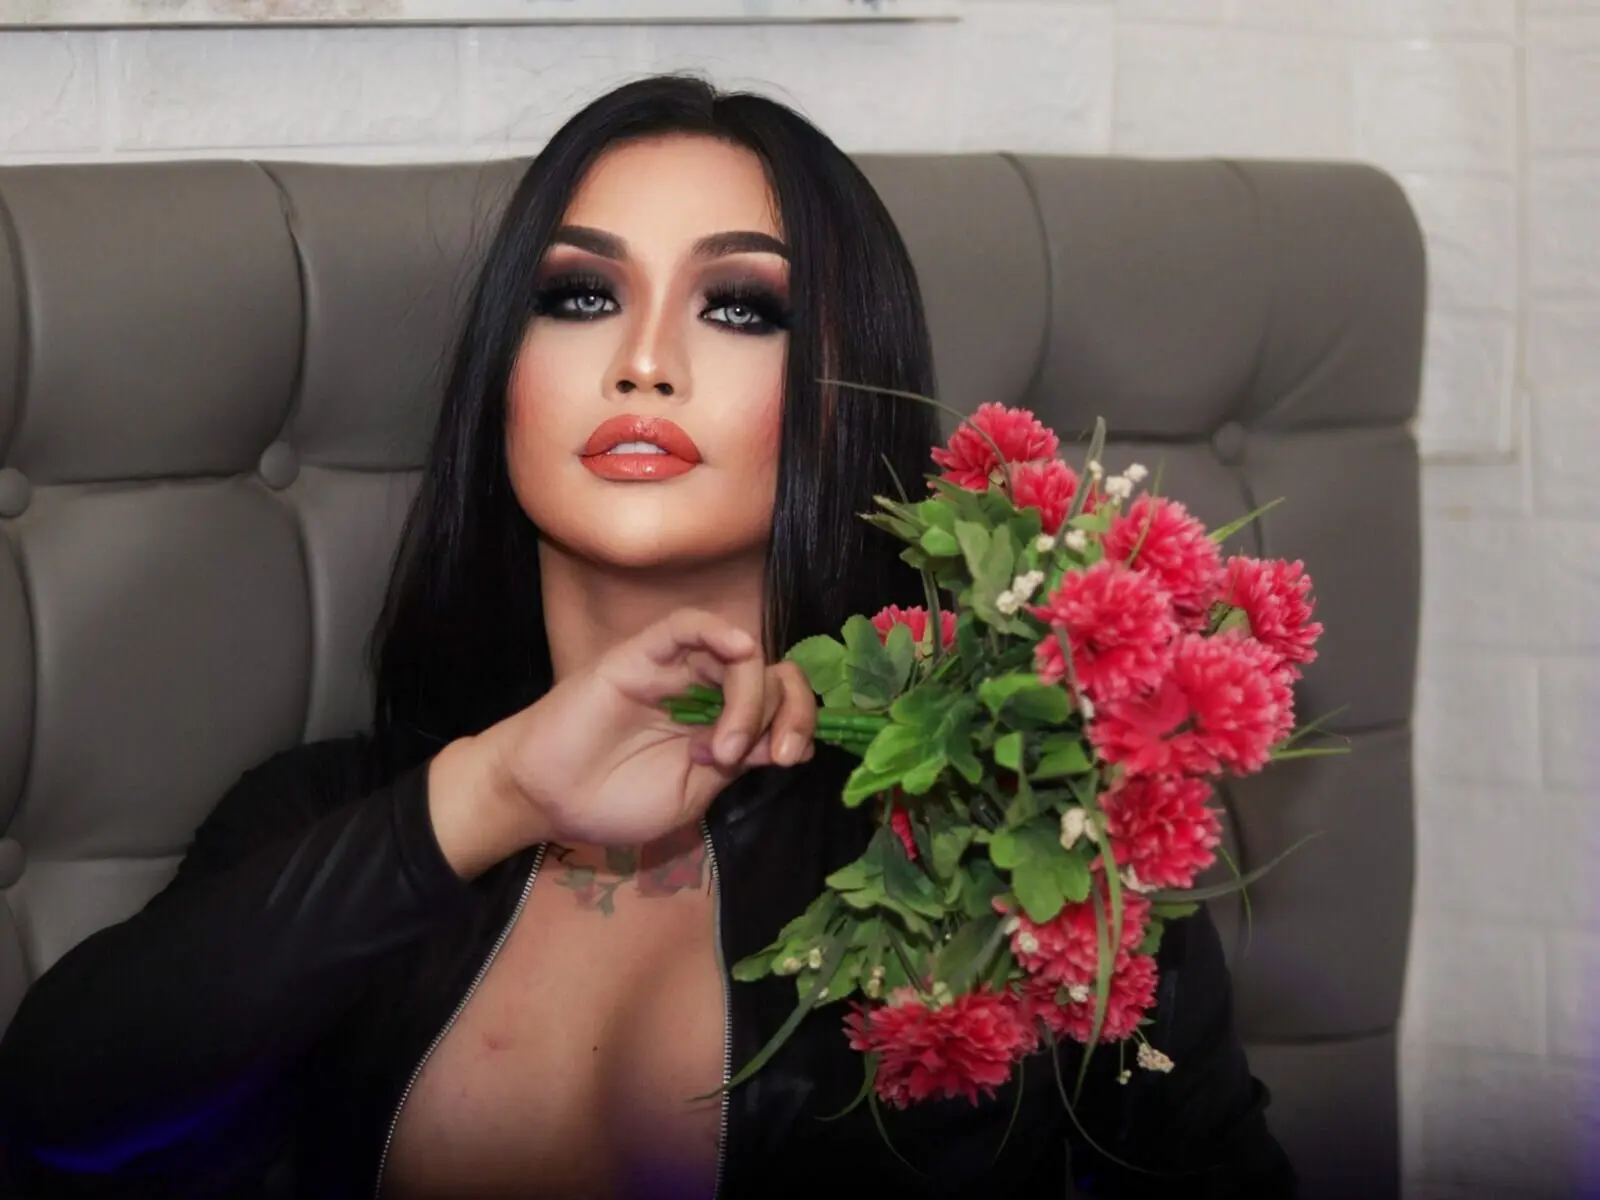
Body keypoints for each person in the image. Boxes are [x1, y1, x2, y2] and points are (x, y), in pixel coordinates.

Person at [0, 75, 1295, 1200]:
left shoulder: (1016, 849)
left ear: (839, 400)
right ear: (501, 382)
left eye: (740, 307)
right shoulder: (332, 817)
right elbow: (52, 1116)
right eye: (578, 295)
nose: (644, 361)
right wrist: (493, 793)